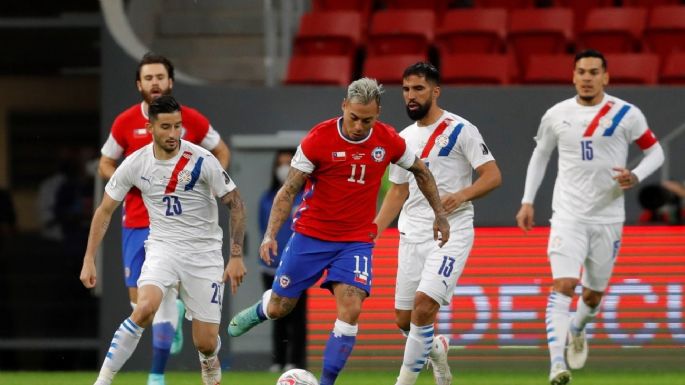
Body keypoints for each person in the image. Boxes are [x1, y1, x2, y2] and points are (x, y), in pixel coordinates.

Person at [228, 77, 450, 385]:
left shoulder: (388, 140)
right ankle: (263, 308)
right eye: (354, 118)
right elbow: (288, 189)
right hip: (310, 235)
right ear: (344, 106)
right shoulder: (318, 139)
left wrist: (439, 214)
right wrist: (270, 234)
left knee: (352, 307)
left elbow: (421, 172)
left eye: (367, 120)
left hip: (355, 242)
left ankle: (326, 382)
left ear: (378, 114)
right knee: (282, 307)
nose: (359, 126)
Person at [515, 49, 664, 385]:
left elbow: (656, 151)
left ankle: (578, 328)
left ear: (605, 77)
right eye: (581, 71)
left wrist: (636, 175)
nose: (586, 77)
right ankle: (556, 365)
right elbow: (540, 156)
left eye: (594, 72)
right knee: (564, 284)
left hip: (608, 218)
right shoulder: (556, 114)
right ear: (573, 76)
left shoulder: (626, 114)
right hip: (567, 214)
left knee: (593, 296)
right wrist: (527, 201)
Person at [80, 95, 247, 385]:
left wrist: (235, 256)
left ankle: (209, 359)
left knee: (205, 342)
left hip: (203, 254)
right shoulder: (135, 163)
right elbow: (105, 210)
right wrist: (88, 259)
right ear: (150, 128)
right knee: (144, 307)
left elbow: (236, 205)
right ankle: (103, 381)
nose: (173, 134)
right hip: (162, 247)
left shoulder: (203, 160)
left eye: (178, 127)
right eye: (166, 127)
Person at [374, 62, 502, 385]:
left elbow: (493, 176)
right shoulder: (402, 139)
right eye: (405, 89)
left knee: (423, 305)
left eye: (418, 89)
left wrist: (461, 195)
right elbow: (398, 191)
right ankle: (436, 348)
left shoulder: (461, 130)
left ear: (435, 91)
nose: (411, 96)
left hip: (451, 231)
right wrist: (373, 230)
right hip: (411, 233)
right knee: (406, 319)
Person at [258, 149, 307, 372]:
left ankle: (295, 361)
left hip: (298, 267)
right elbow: (262, 228)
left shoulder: (304, 196)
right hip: (270, 268)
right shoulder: (267, 199)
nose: (284, 168)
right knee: (274, 313)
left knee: (297, 317)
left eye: (289, 163)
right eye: (281, 163)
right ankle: (277, 361)